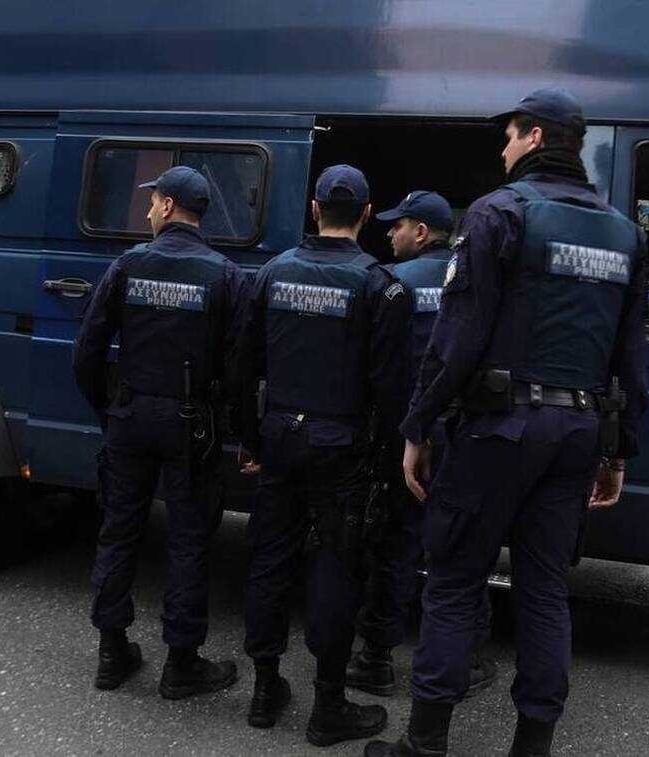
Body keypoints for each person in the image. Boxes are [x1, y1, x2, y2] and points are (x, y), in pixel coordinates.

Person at [366, 88, 649, 756]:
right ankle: (531, 747)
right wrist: (619, 450)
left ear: (534, 137)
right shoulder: (624, 233)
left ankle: (425, 743)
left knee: (455, 581)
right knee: (546, 591)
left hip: (499, 428)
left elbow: (457, 337)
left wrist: (417, 426)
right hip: (577, 432)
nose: (502, 149)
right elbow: (630, 356)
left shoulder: (498, 213)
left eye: (509, 135)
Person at [235, 164, 412, 746]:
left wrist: (253, 440)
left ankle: (264, 690)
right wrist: (388, 465)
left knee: (269, 560)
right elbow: (392, 391)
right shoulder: (381, 286)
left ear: (314, 209)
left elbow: (243, 369)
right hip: (343, 450)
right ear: (366, 214)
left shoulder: (272, 272)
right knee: (336, 569)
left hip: (281, 440)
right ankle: (327, 706)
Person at [73, 166, 246, 698]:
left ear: (168, 206)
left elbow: (87, 351)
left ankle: (111, 653)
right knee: (189, 541)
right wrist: (232, 426)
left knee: (119, 532)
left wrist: (109, 410)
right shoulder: (225, 275)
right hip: (192, 426)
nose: (148, 210)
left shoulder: (127, 265)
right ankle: (181, 665)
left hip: (130, 419)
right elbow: (240, 367)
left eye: (153, 202)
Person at [346, 190, 497, 699]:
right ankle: (467, 659)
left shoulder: (393, 283)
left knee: (394, 544)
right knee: (463, 549)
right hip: (464, 434)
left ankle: (375, 659)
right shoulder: (479, 282)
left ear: (423, 232)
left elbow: (376, 369)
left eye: (398, 226)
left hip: (407, 435)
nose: (390, 234)